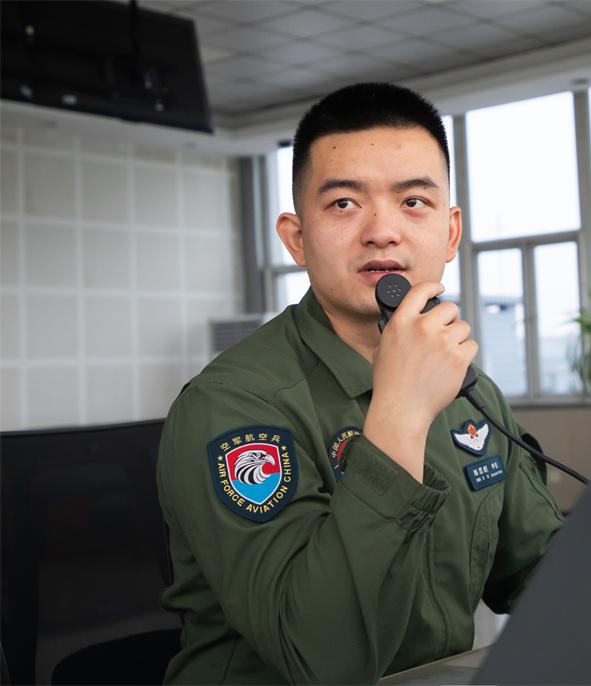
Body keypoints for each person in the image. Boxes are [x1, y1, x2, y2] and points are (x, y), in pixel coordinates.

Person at [156, 82, 565, 684]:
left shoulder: (465, 389)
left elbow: (541, 571)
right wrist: (401, 415)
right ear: (297, 238)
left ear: (451, 233)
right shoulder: (233, 406)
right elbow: (318, 659)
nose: (382, 231)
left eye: (414, 202)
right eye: (345, 204)